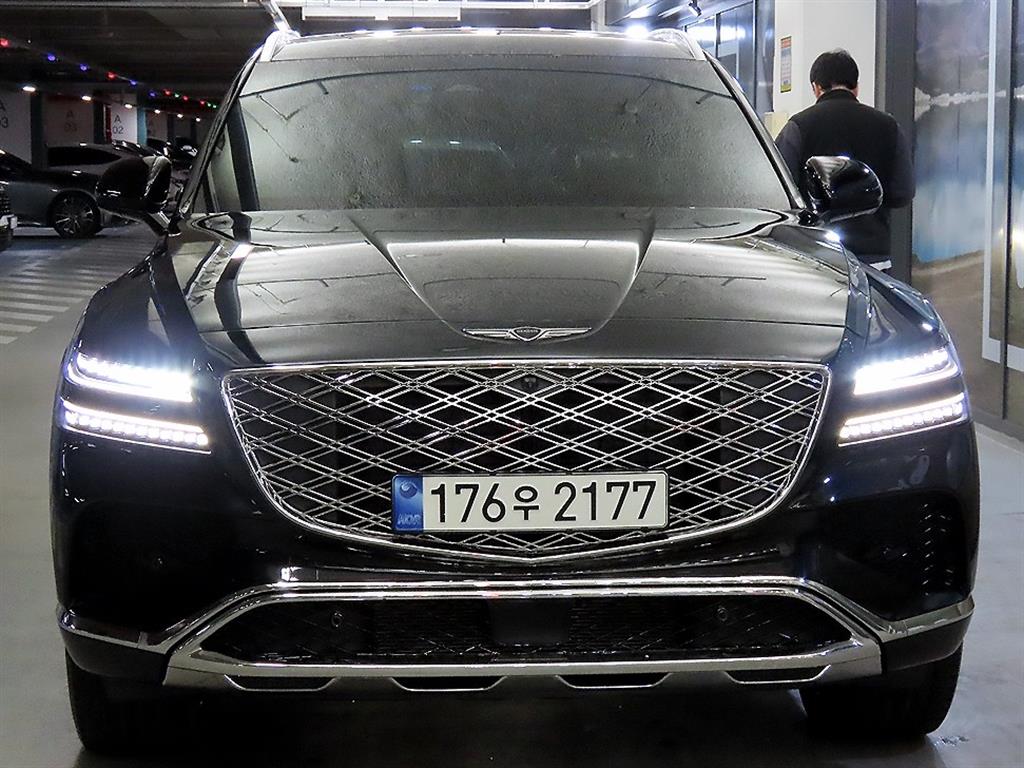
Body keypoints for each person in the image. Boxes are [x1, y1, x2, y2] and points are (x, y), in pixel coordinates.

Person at [775, 49, 914, 271]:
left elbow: (778, 190)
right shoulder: (889, 126)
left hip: (817, 257)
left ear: (816, 87)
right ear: (856, 86)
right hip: (873, 257)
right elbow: (902, 193)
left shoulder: (798, 127)